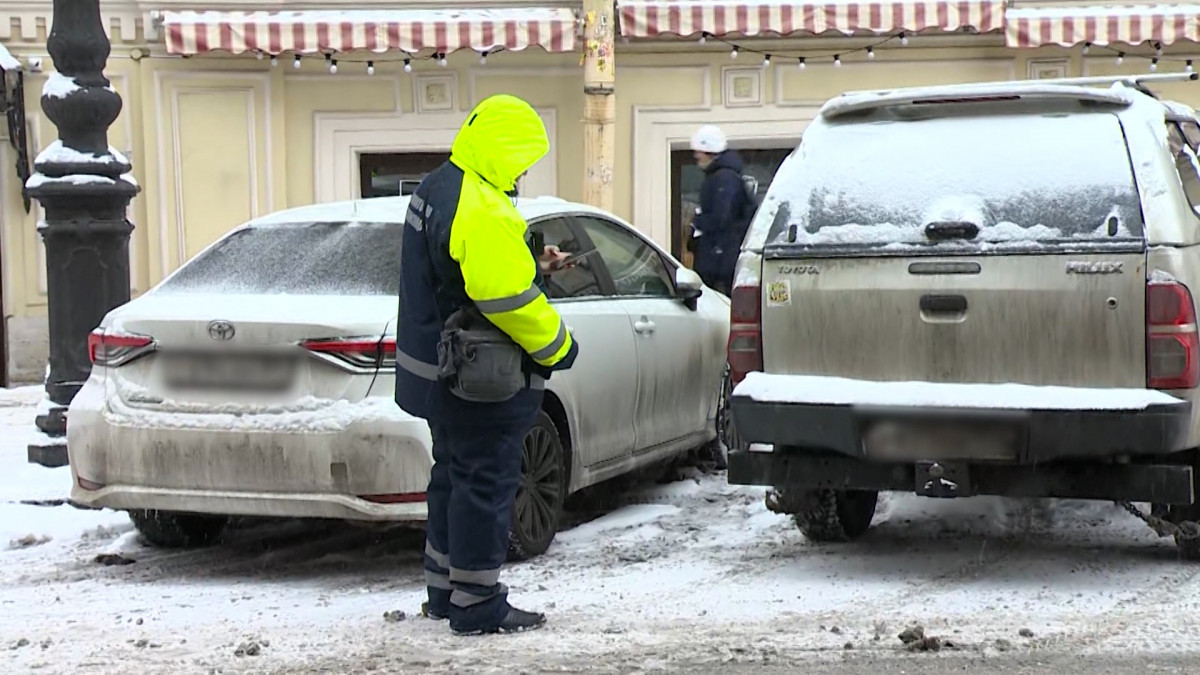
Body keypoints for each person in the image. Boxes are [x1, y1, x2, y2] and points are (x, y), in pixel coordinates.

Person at [394, 94, 580, 636]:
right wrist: (558, 345)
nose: (523, 170)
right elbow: (501, 298)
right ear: (504, 147)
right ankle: (477, 602)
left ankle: (444, 590)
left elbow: (453, 272)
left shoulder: (438, 185)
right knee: (485, 482)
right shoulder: (483, 205)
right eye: (523, 157)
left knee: (452, 476)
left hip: (437, 371)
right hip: (479, 378)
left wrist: (531, 261)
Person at [688, 124, 753, 296]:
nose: (696, 156)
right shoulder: (723, 176)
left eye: (698, 152)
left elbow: (721, 218)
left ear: (709, 151)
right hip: (722, 259)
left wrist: (698, 222)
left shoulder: (723, 179)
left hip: (721, 261)